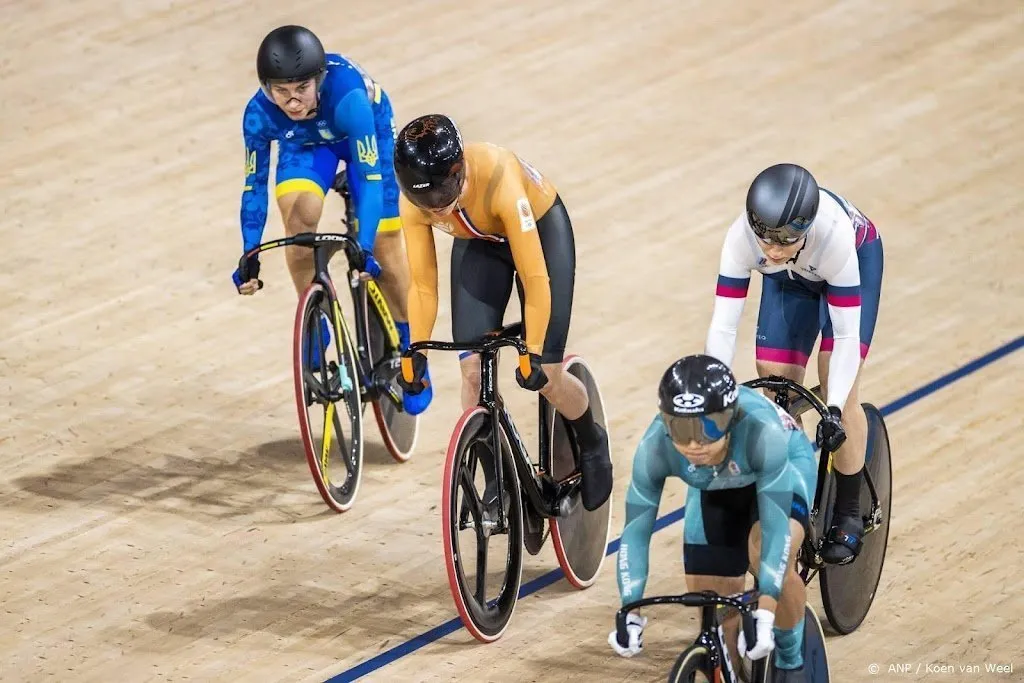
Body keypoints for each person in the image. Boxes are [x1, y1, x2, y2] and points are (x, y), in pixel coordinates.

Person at [392, 113, 612, 510]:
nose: (437, 210)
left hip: (539, 232)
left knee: (545, 374)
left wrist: (531, 350)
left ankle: (592, 440)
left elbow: (534, 277)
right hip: (480, 241)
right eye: (427, 202)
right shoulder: (415, 203)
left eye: (443, 195)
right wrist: (416, 354)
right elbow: (422, 286)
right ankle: (496, 475)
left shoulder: (500, 179)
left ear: (459, 170)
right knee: (472, 370)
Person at [705, 163, 884, 564]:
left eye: (784, 240)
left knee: (838, 383)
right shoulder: (741, 239)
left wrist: (834, 408)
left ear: (804, 228)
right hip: (791, 280)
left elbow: (845, 336)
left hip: (852, 264)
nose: (770, 249)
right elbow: (723, 326)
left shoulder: (834, 237)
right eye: (764, 237)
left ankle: (849, 511)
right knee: (774, 387)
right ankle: (797, 492)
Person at [609, 355, 815, 682]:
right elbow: (635, 533)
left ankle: (793, 661)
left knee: (768, 557)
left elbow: (777, 532)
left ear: (730, 418)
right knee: (710, 596)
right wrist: (630, 611)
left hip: (785, 469)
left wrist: (765, 611)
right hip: (715, 488)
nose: (694, 443)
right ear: (665, 421)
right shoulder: (655, 447)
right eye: (681, 428)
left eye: (709, 427)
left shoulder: (762, 434)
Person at [232, 26, 412, 367]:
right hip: (306, 143)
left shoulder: (349, 97)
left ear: (320, 79)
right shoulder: (258, 113)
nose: (293, 100)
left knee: (386, 239)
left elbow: (371, 179)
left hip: (362, 131)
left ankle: (407, 340)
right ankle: (317, 321)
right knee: (298, 224)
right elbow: (253, 185)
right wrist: (249, 251)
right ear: (266, 89)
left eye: (302, 88)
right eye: (281, 91)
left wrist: (366, 247)